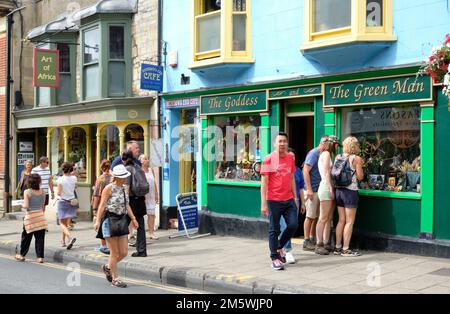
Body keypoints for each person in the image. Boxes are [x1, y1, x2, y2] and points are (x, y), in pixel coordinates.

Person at [94, 164, 139, 288]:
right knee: (114, 253)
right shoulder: (109, 188)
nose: (124, 178)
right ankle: (115, 279)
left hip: (122, 221)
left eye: (125, 176)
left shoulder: (125, 188)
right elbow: (102, 206)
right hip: (110, 221)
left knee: (124, 252)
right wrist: (97, 221)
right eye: (122, 176)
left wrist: (133, 218)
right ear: (116, 177)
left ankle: (107, 267)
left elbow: (127, 205)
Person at [260, 132, 299, 271]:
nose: (282, 143)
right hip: (273, 200)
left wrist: (295, 196)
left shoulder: (289, 158)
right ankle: (274, 258)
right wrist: (263, 203)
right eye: (280, 141)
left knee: (293, 224)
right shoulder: (268, 159)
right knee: (274, 230)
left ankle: (279, 246)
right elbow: (264, 183)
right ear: (275, 143)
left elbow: (292, 178)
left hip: (288, 199)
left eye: (284, 141)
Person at [334, 136, 364, 257]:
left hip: (339, 191)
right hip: (350, 191)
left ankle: (337, 247)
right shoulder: (356, 159)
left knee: (341, 220)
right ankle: (346, 249)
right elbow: (360, 177)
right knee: (349, 222)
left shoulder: (338, 157)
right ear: (355, 146)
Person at [278, 148, 305, 264]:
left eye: (293, 157)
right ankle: (287, 251)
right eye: (290, 156)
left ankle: (279, 247)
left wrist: (303, 203)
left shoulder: (298, 170)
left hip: (296, 201)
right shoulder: (281, 170)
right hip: (283, 201)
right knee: (285, 226)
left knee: (291, 226)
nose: (292, 158)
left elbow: (300, 188)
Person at [302, 136, 328, 251]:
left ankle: (312, 238)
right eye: (328, 144)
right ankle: (306, 241)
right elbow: (305, 170)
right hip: (312, 189)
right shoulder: (314, 153)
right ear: (323, 143)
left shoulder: (323, 154)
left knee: (316, 217)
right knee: (310, 216)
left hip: (319, 189)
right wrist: (309, 189)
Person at [315, 136, 340, 255]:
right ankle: (319, 244)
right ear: (331, 144)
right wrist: (331, 187)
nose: (337, 147)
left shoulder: (329, 155)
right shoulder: (326, 154)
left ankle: (326, 242)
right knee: (323, 217)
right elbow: (326, 172)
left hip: (329, 187)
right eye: (336, 144)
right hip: (326, 187)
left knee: (328, 218)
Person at [15, 174, 47, 263]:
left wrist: (20, 204)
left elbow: (26, 205)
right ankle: (40, 257)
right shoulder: (43, 192)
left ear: (29, 182)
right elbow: (43, 206)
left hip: (30, 217)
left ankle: (21, 255)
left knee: (26, 237)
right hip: (40, 216)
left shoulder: (27, 192)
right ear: (39, 182)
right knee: (40, 238)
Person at [123, 151, 149, 257]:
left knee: (122, 225)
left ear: (125, 159)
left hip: (131, 201)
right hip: (140, 200)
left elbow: (126, 187)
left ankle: (118, 249)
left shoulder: (127, 169)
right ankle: (142, 251)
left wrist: (124, 202)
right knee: (140, 226)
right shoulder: (138, 168)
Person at [92, 159, 112, 254]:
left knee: (101, 225)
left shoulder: (100, 179)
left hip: (102, 205)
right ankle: (109, 245)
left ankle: (104, 246)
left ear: (101, 168)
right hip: (112, 205)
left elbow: (96, 195)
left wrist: (95, 209)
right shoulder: (113, 178)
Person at [56, 163, 77, 250]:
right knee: (65, 223)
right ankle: (63, 241)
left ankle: (70, 237)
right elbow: (75, 187)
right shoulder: (74, 178)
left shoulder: (60, 179)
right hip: (71, 202)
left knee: (61, 223)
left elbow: (59, 192)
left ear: (62, 170)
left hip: (63, 201)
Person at [139, 154, 160, 240]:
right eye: (145, 159)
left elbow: (154, 182)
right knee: (138, 215)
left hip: (150, 195)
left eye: (148, 159)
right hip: (142, 196)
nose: (147, 160)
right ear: (141, 161)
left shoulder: (151, 170)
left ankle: (151, 233)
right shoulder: (139, 171)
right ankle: (131, 232)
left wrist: (156, 193)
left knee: (151, 214)